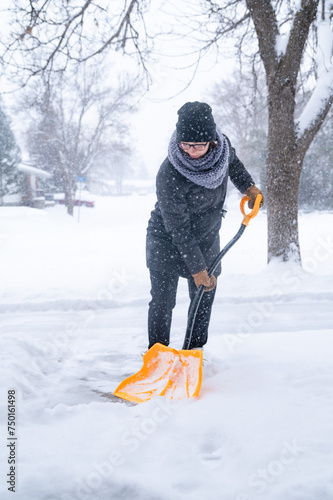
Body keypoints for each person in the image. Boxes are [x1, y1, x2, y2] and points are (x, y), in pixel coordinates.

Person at [146, 101, 263, 351]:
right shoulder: (169, 173)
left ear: (212, 142)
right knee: (163, 301)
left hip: (207, 235)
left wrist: (249, 187)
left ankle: (194, 352)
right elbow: (178, 228)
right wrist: (197, 268)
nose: (190, 151)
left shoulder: (223, 150)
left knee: (203, 295)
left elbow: (234, 165)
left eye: (197, 145)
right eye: (185, 144)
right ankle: (157, 354)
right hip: (167, 237)